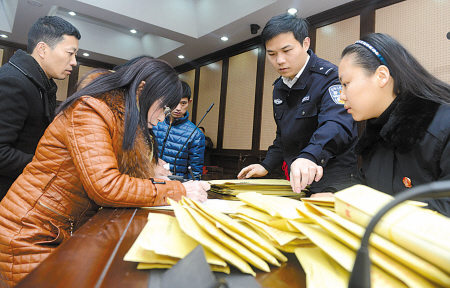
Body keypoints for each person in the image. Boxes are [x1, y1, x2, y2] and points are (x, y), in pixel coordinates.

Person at [0, 57, 210, 287]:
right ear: (141, 89)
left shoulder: (116, 115)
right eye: (164, 108)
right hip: (31, 233)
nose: (162, 118)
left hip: (59, 230)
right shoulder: (89, 109)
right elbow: (106, 186)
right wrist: (178, 190)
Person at [238, 13, 358, 195]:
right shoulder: (279, 87)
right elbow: (284, 136)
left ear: (306, 43)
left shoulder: (330, 77)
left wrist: (310, 156)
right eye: (271, 54)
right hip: (299, 180)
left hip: (334, 180)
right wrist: (266, 165)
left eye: (286, 51)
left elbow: (336, 125)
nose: (279, 61)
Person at [339, 33, 450, 216]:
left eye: (345, 83)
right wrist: (336, 197)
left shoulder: (442, 125)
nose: (342, 96)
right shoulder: (375, 135)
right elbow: (364, 186)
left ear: (382, 76)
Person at [0, 16, 81, 199]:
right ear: (42, 49)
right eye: (70, 53)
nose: (74, 62)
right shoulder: (13, 81)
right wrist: (50, 165)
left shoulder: (40, 83)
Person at [153, 81, 205, 180]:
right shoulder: (155, 123)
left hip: (176, 186)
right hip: (149, 181)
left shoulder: (196, 134)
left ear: (189, 102)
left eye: (183, 103)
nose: (178, 108)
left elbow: (195, 172)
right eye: (175, 102)